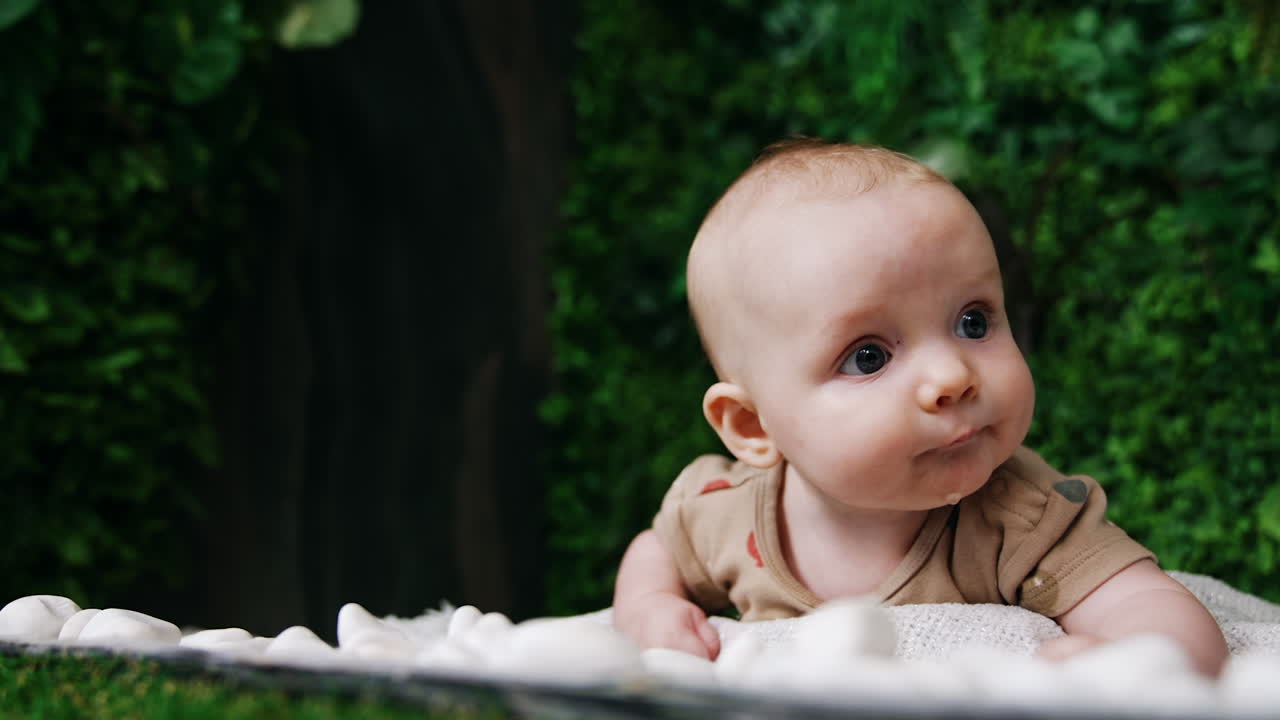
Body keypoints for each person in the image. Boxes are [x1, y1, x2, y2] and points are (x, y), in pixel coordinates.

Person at [611, 138, 1228, 677]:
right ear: (752, 426)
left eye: (973, 320)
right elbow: (659, 550)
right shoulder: (726, 513)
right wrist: (648, 606)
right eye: (869, 357)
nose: (951, 376)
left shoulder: (1020, 520)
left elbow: (1151, 607)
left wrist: (1138, 661)